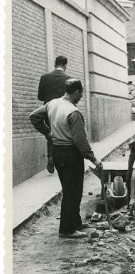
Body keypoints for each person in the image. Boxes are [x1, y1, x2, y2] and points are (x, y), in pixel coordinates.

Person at [30, 79, 103, 239]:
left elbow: (34, 117)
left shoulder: (52, 104)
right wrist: (94, 159)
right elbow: (80, 141)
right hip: (71, 155)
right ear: (76, 91)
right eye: (81, 93)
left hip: (57, 153)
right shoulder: (73, 112)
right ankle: (66, 229)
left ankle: (75, 222)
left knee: (71, 189)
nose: (81, 96)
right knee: (72, 192)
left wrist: (48, 134)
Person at [37, 55, 71, 174]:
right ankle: (61, 161)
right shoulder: (68, 79)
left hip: (48, 110)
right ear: (65, 66)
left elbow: (40, 97)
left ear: (54, 64)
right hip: (63, 111)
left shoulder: (44, 78)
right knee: (62, 135)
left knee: (50, 134)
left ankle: (51, 157)